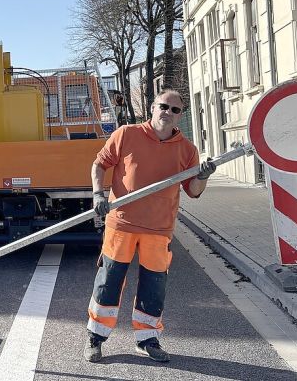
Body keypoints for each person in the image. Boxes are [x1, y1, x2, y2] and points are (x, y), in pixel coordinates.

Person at [84, 89, 217, 363]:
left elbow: (194, 190)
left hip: (158, 229)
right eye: (164, 106)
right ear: (152, 107)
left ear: (180, 116)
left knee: (153, 287)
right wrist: (98, 195)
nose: (168, 112)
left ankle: (147, 340)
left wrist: (203, 176)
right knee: (109, 282)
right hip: (121, 224)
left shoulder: (187, 150)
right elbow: (99, 165)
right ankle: (95, 337)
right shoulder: (126, 134)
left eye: (175, 110)